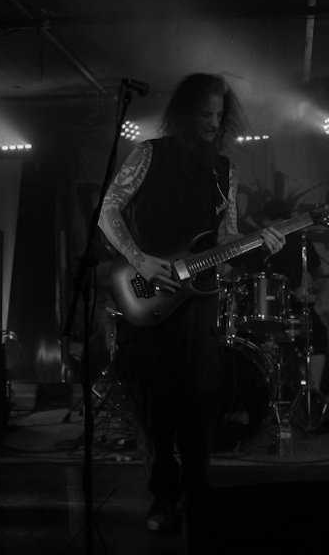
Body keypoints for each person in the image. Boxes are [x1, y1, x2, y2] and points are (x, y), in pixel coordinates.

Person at [98, 73, 285, 531]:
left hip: (199, 300)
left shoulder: (223, 169)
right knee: (153, 404)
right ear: (185, 113)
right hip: (147, 292)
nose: (214, 123)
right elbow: (108, 210)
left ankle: (199, 496)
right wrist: (139, 259)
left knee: (200, 402)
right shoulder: (149, 153)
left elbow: (226, 238)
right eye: (205, 114)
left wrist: (260, 241)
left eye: (220, 114)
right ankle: (163, 498)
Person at [239, 198, 329, 391]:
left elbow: (320, 277)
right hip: (257, 306)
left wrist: (307, 288)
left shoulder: (299, 241)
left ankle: (313, 392)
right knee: (241, 341)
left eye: (266, 219)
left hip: (292, 306)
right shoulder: (254, 241)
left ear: (277, 220)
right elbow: (234, 271)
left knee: (319, 334)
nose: (263, 223)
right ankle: (251, 392)